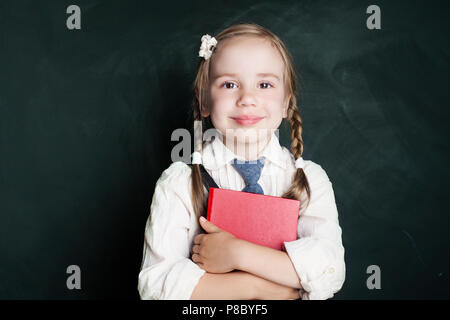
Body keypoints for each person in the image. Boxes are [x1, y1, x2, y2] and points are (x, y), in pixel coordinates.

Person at [138, 23, 345, 300]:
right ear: (203, 102)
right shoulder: (180, 184)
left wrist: (237, 253)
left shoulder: (309, 181)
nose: (247, 98)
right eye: (229, 84)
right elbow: (156, 287)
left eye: (264, 84)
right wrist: (258, 287)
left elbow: (329, 270)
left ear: (286, 102)